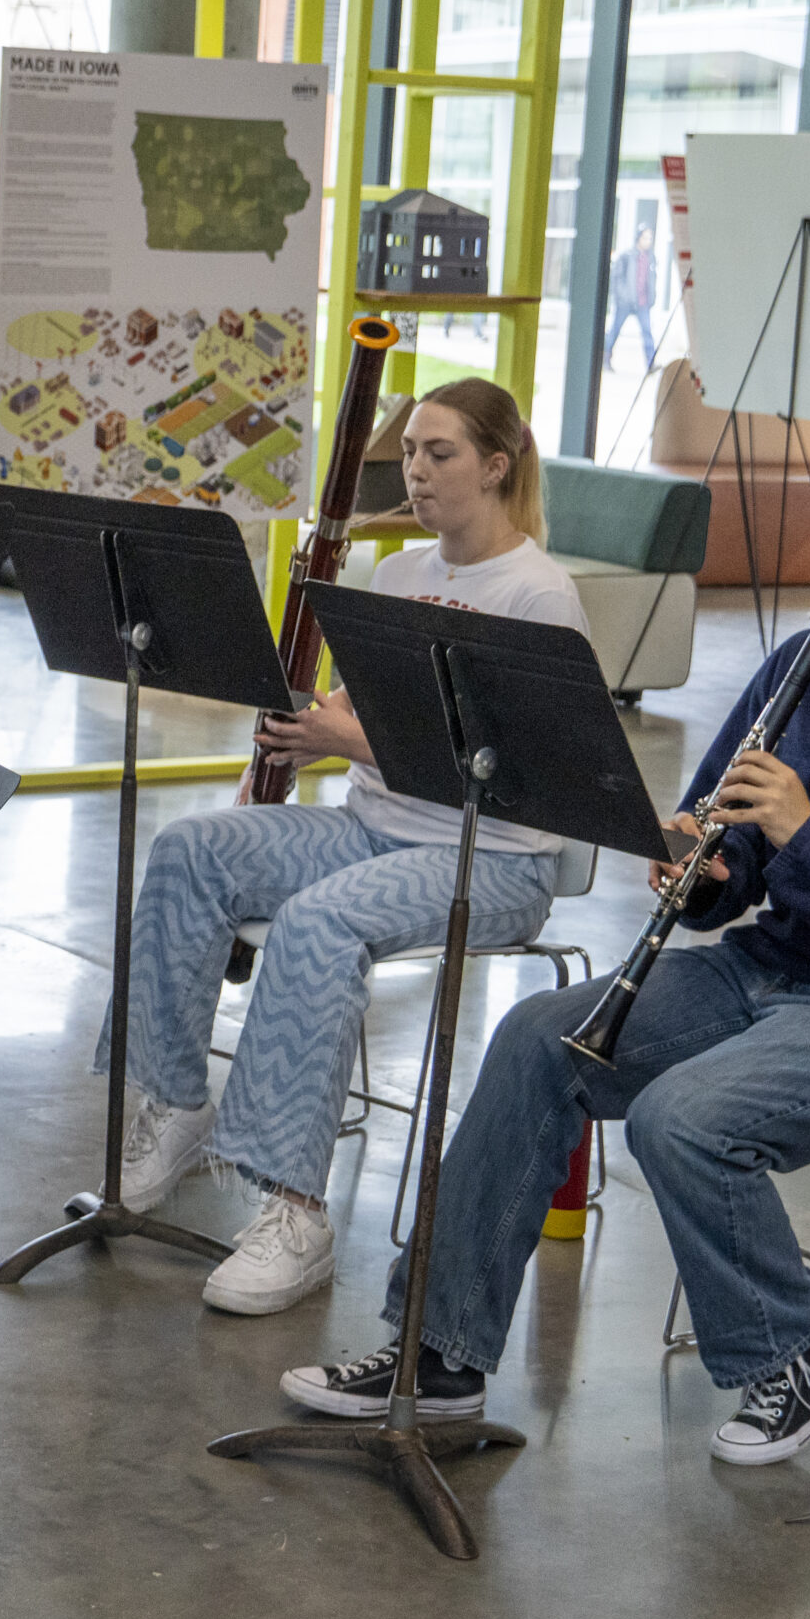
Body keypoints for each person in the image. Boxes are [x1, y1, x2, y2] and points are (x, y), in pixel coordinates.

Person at [284, 433, 810, 1468]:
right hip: (773, 966)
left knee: (684, 1116)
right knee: (536, 1039)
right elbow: (732, 844)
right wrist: (707, 871)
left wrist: (807, 836)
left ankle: (794, 1346)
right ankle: (437, 1357)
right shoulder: (806, 665)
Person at [111, 378, 588, 1317]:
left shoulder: (541, 594)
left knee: (318, 920)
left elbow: (515, 770)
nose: (415, 470)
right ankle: (174, 1100)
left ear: (496, 466)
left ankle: (297, 1213)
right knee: (190, 849)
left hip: (490, 856)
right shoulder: (399, 575)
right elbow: (368, 715)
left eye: (439, 453)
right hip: (373, 825)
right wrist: (309, 724)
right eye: (409, 452)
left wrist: (350, 739)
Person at [604, 223, 659, 373]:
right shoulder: (627, 256)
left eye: (650, 238)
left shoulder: (650, 258)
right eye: (646, 237)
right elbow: (617, 278)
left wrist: (651, 297)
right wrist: (623, 296)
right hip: (626, 302)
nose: (648, 241)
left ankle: (650, 363)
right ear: (639, 238)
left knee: (647, 331)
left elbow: (652, 279)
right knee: (615, 330)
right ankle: (605, 357)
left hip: (642, 302)